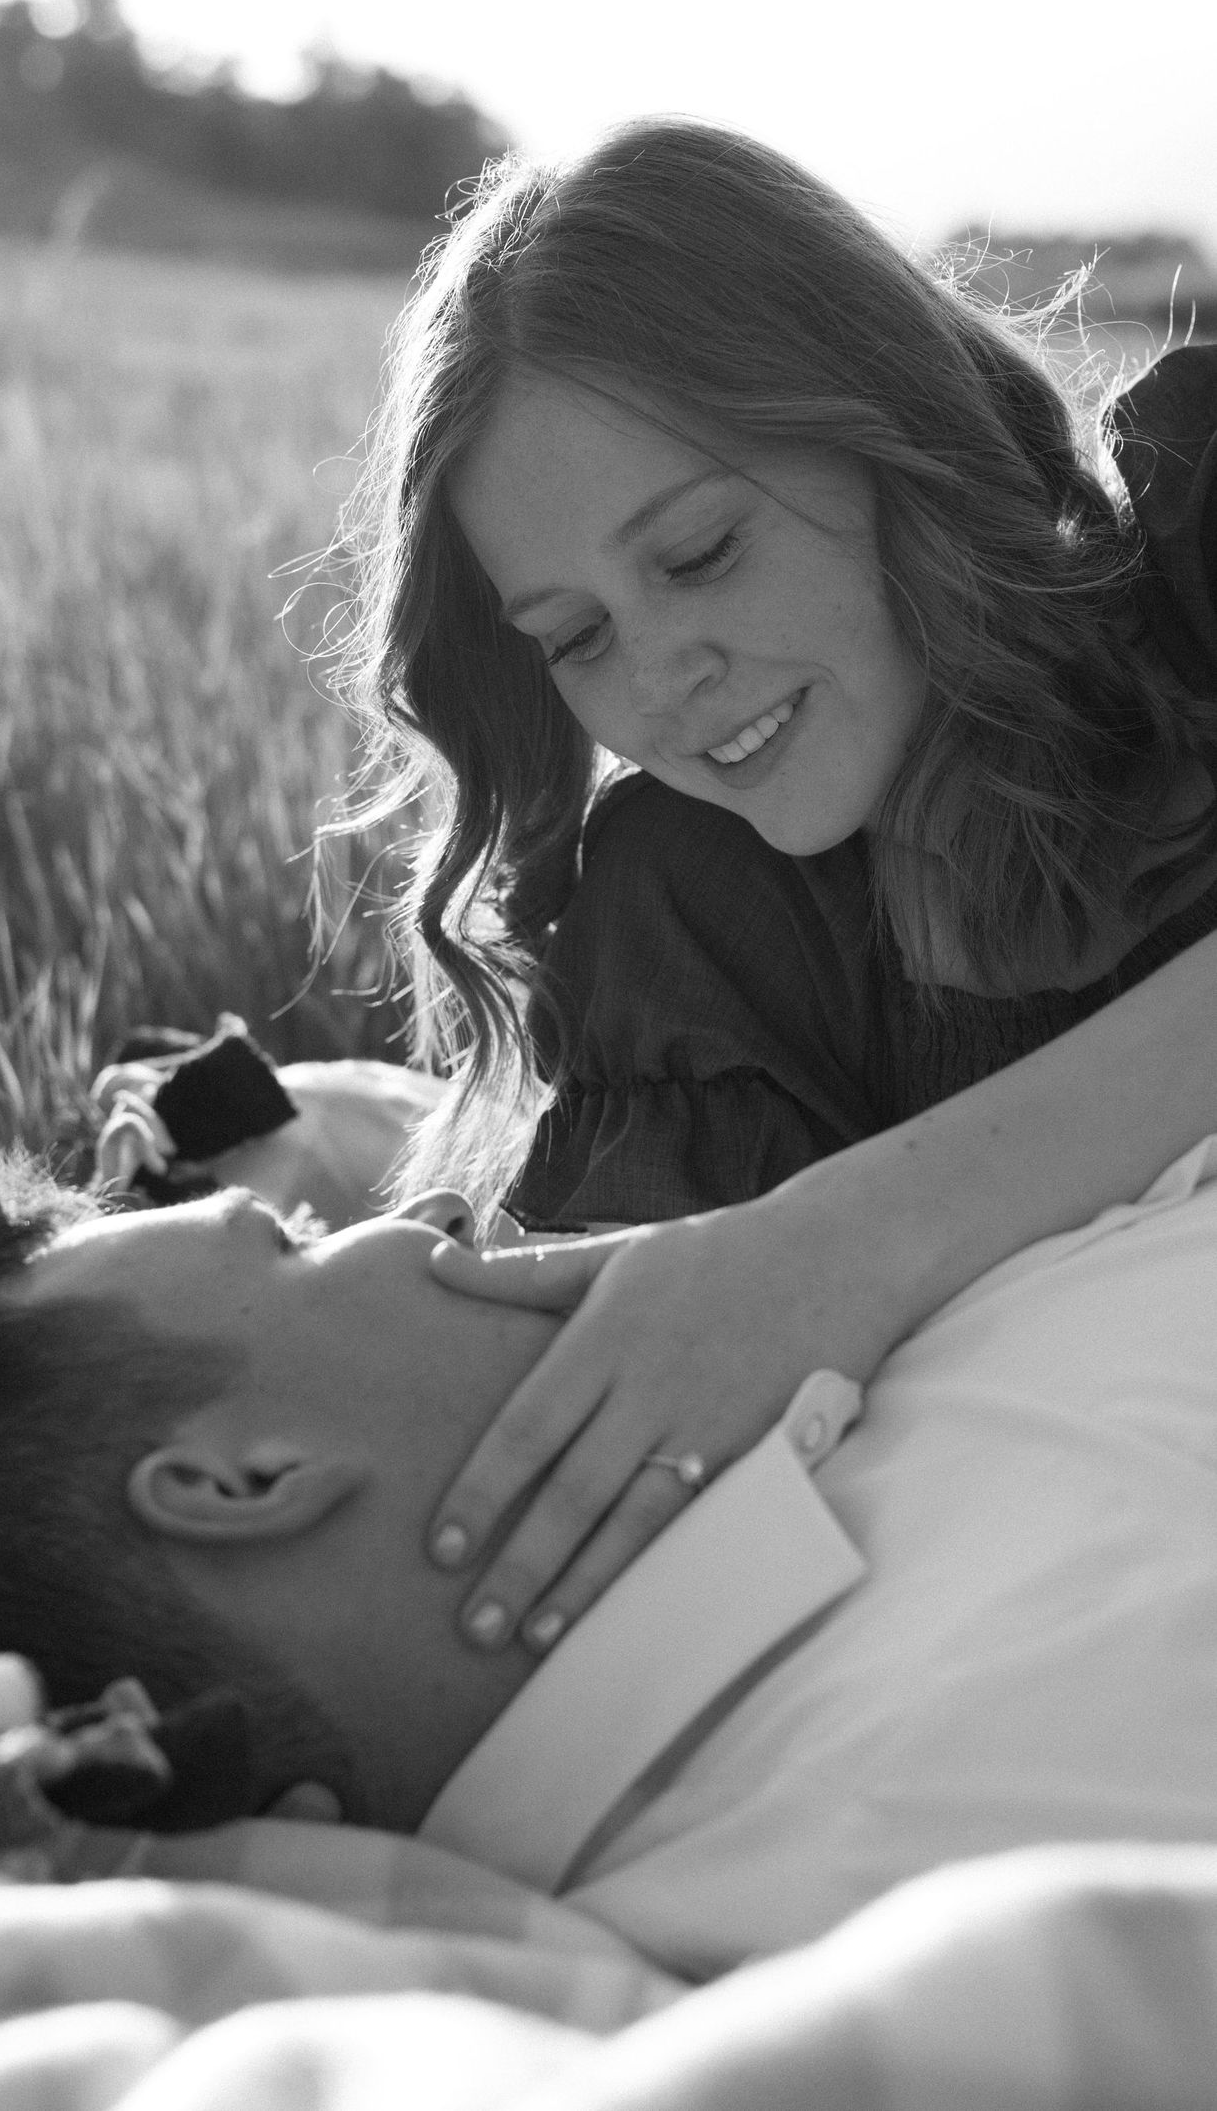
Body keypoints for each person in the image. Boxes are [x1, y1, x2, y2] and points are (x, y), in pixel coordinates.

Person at [323, 116, 1217, 1656]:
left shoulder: (1202, 537)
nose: (661, 681)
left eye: (699, 551)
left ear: (881, 424)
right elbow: (582, 1467)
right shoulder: (697, 908)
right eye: (576, 634)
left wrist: (848, 1238)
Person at [0, 1142, 1217, 1977]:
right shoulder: (928, 1879)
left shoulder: (812, 1315)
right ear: (245, 1480)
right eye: (301, 1232)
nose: (440, 1210)